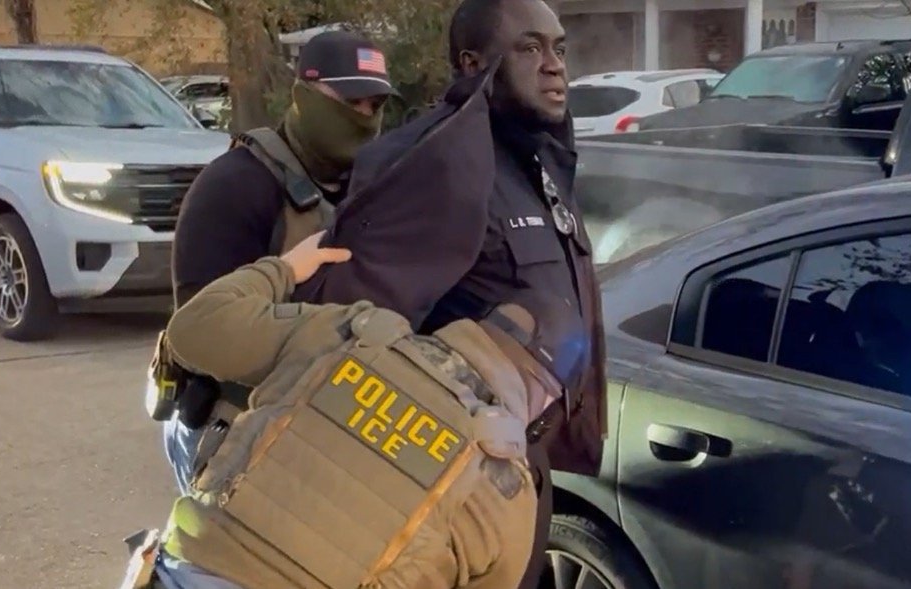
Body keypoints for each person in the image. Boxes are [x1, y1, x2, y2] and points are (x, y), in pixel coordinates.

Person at [291, 0, 607, 586]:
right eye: (530, 48)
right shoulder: (431, 161)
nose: (555, 65)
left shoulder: (536, 159)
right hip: (443, 487)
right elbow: (349, 330)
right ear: (472, 63)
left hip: (517, 467)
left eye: (560, 48)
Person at [120, 229, 586, 589]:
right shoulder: (508, 491)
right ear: (544, 396)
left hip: (188, 572)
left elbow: (195, 329)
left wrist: (284, 268)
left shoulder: (356, 333)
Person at [151, 28, 397, 493]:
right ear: (304, 95)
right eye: (350, 102)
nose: (365, 117)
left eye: (375, 104)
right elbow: (201, 334)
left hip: (319, 424)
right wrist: (286, 275)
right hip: (228, 425)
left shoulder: (366, 186)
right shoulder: (235, 185)